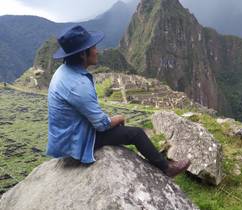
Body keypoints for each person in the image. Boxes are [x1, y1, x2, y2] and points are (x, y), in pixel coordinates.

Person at [46, 25, 190, 177]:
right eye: (93, 47)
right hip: (77, 140)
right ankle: (167, 168)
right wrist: (118, 118)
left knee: (117, 125)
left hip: (65, 136)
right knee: (136, 134)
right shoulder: (78, 85)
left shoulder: (63, 71)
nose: (97, 51)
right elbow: (102, 125)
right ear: (83, 54)